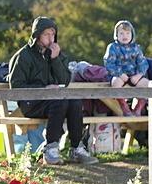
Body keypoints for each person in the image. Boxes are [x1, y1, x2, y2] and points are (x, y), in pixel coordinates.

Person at [7, 16, 98, 165]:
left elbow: (65, 81)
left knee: (75, 101)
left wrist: (55, 59)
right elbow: (16, 86)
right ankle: (50, 149)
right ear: (37, 35)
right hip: (31, 102)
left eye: (53, 34)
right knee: (60, 103)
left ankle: (76, 148)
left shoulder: (57, 53)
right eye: (46, 34)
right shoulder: (23, 55)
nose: (51, 38)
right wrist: (43, 89)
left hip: (53, 100)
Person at [103, 20, 149, 115]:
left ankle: (139, 108)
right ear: (116, 35)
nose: (125, 36)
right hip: (119, 75)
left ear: (132, 34)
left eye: (127, 33)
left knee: (147, 84)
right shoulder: (113, 47)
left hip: (134, 76)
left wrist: (138, 75)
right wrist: (120, 74)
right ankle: (124, 107)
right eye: (121, 33)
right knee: (116, 83)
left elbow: (143, 63)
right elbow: (109, 63)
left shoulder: (136, 48)